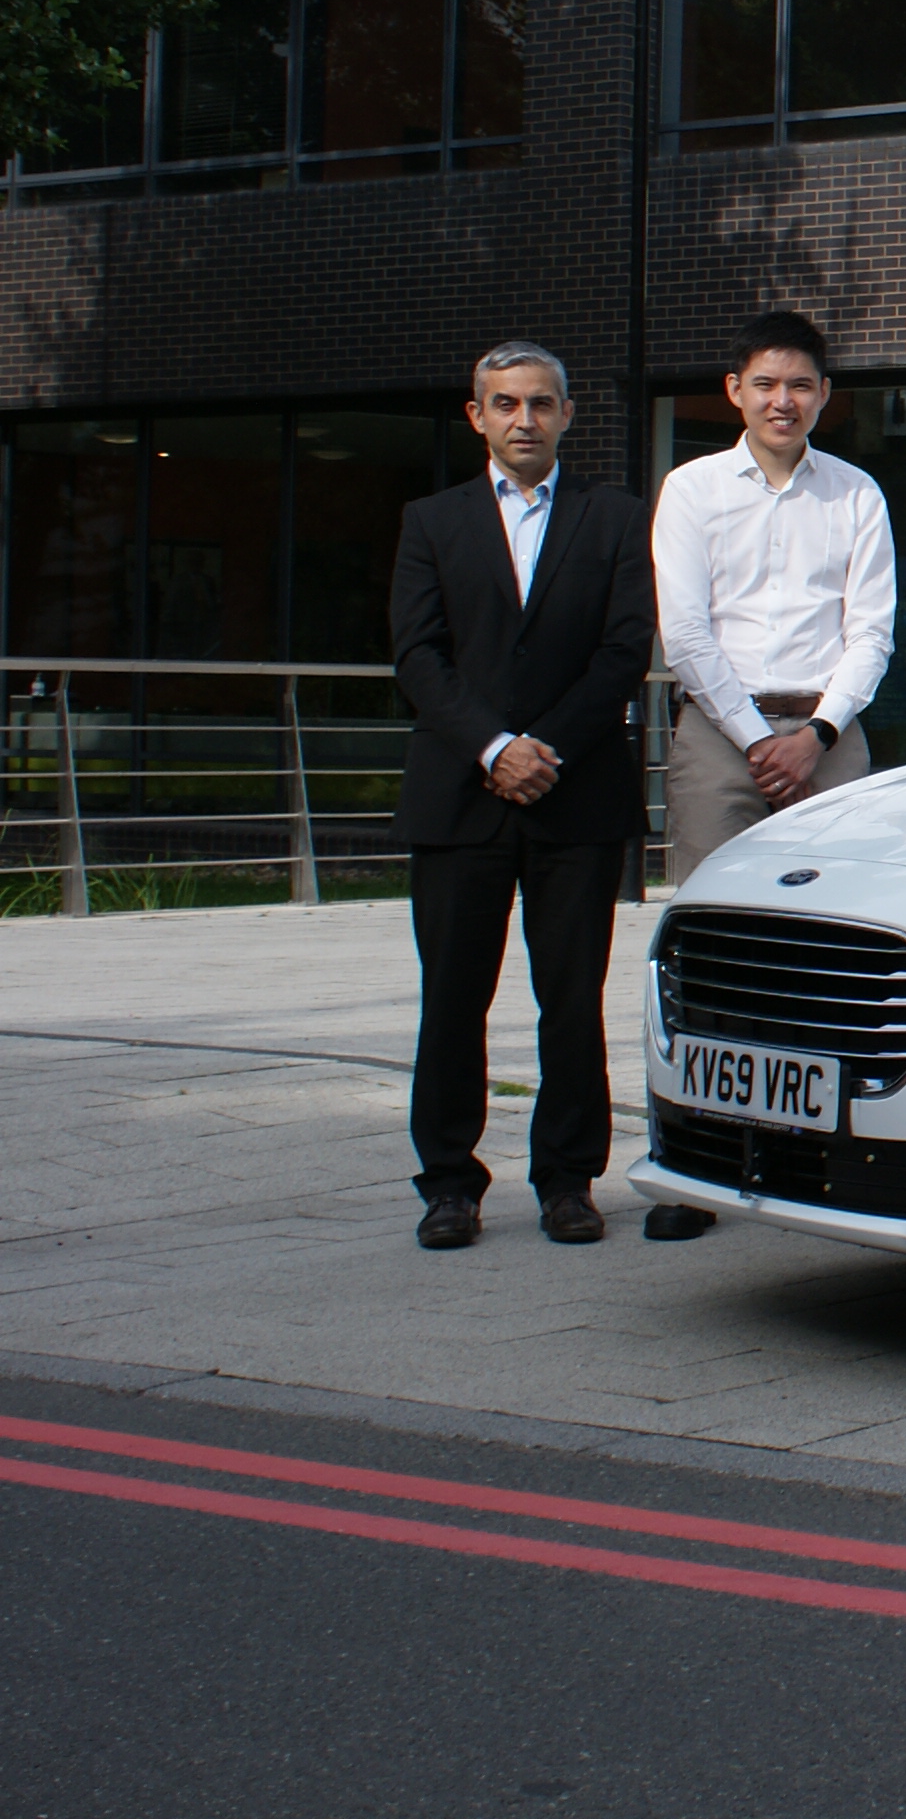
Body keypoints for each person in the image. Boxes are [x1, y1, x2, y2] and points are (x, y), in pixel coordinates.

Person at [388, 341, 654, 1250]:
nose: (524, 420)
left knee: (570, 999)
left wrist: (547, 750)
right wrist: (497, 747)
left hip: (577, 795)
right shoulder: (431, 520)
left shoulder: (615, 518)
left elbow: (624, 651)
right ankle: (449, 1185)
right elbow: (418, 657)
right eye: (505, 404)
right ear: (478, 415)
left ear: (567, 414)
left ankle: (568, 1179)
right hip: (461, 796)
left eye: (541, 404)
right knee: (453, 999)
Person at [643, 307, 896, 1244]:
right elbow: (687, 632)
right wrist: (760, 738)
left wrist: (819, 729)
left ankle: (832, 1153)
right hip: (722, 729)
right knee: (704, 945)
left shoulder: (856, 494)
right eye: (766, 384)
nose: (783, 400)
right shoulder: (693, 490)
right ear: (735, 393)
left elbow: (872, 630)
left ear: (824, 397)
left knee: (846, 947)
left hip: (831, 734)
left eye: (801, 385)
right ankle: (690, 1162)